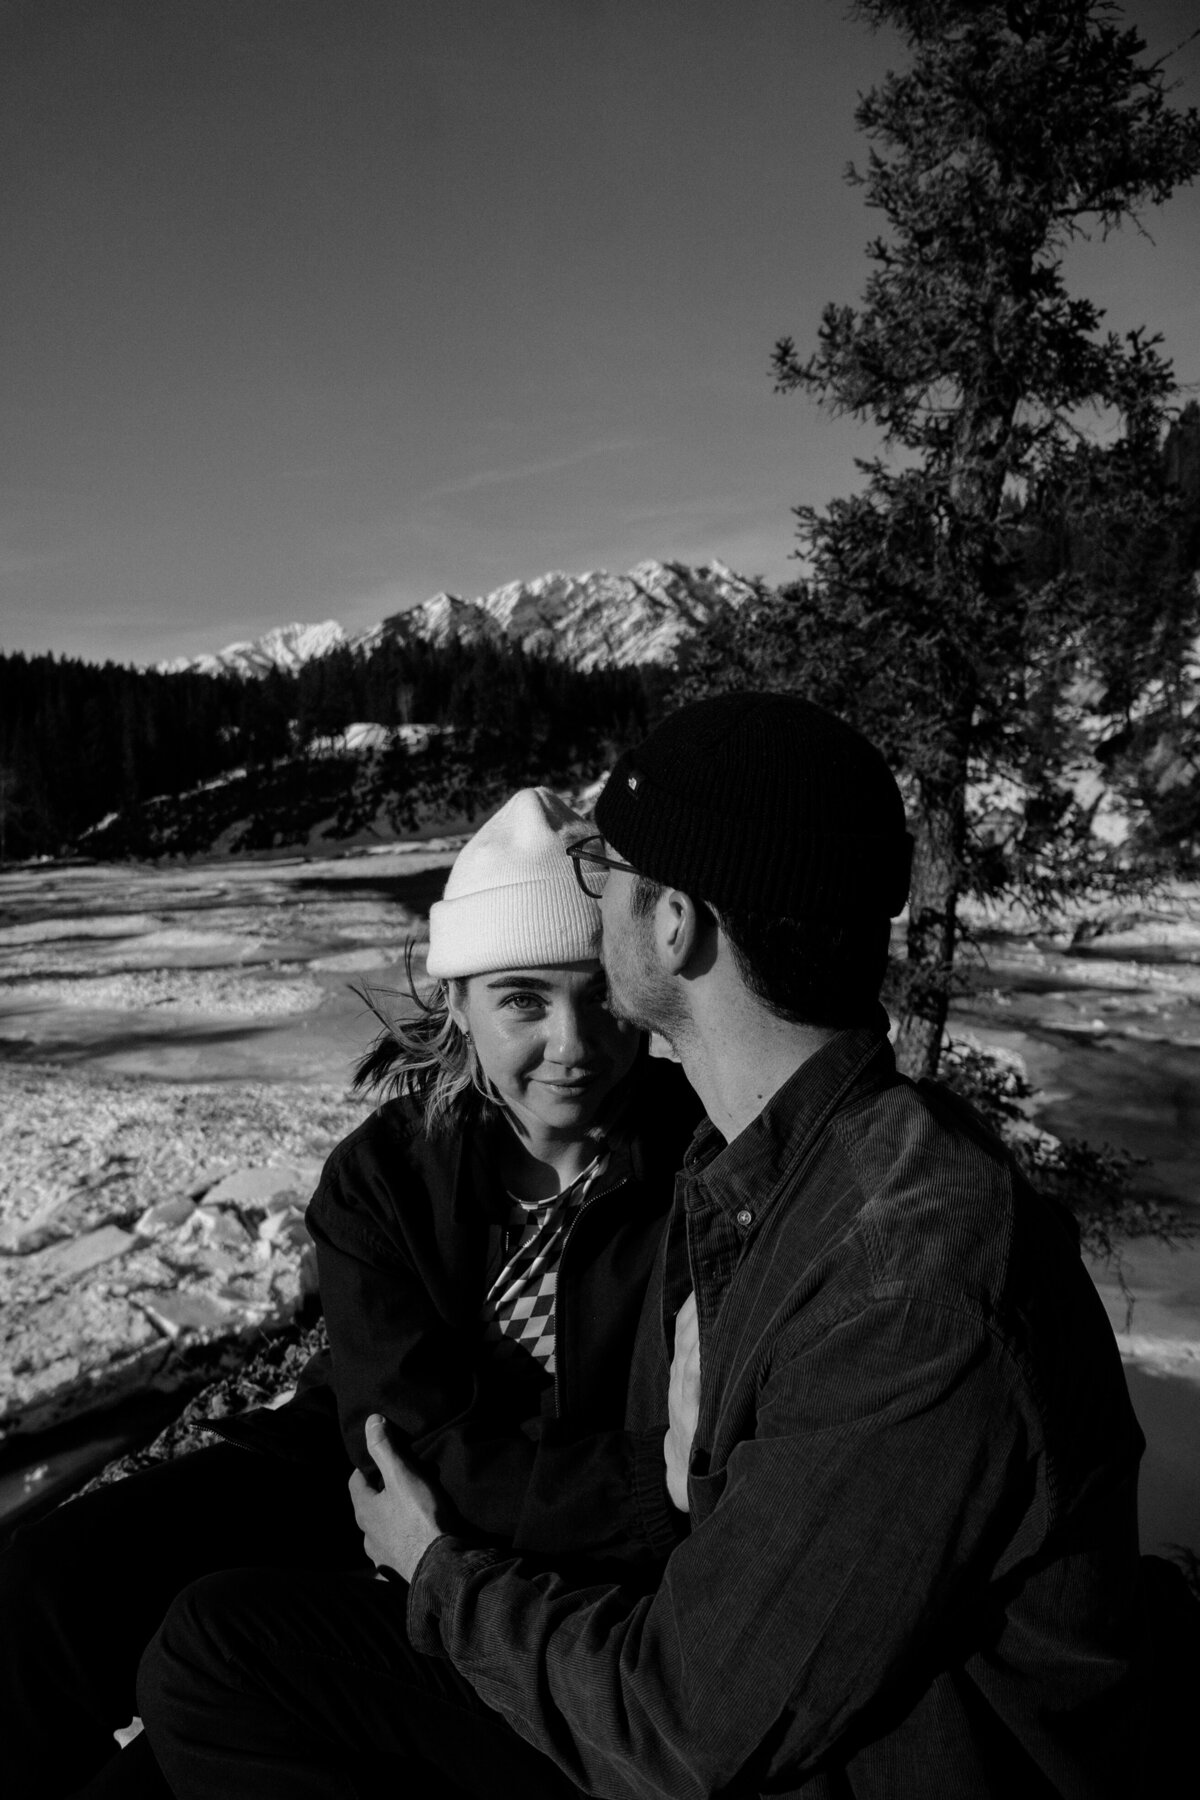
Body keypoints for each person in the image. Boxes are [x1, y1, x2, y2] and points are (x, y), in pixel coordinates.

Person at [137, 693, 1156, 1799]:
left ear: (674, 923)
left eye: (603, 871)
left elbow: (685, 1723)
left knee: (218, 1654)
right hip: (754, 1712)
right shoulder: (802, 1184)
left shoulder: (902, 1280)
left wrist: (439, 1576)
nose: (591, 902)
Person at [0, 786, 699, 1800]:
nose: (575, 1043)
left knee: (175, 1744)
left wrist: (621, 1498)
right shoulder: (390, 1172)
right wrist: (643, 1485)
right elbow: (400, 1444)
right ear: (456, 1001)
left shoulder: (697, 1163)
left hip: (545, 1567)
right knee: (39, 1592)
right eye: (523, 999)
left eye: (599, 995)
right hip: (369, 1484)